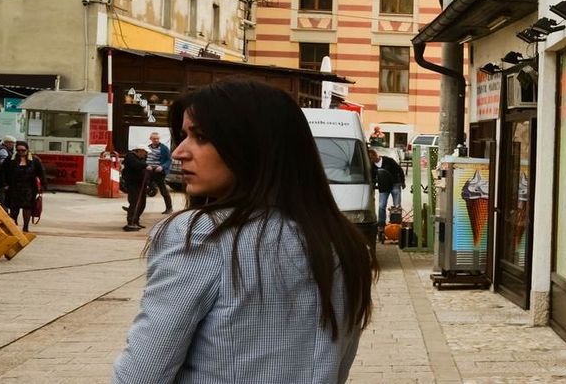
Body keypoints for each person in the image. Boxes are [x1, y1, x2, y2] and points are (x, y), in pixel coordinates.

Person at [111, 77, 375, 384]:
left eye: (201, 137)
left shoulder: (202, 235)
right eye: (183, 136)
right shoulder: (343, 244)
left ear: (251, 145)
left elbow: (142, 374)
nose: (181, 152)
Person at [0, 141, 44, 231]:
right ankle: (14, 226)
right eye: (18, 150)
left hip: (29, 188)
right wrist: (4, 185)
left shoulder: (34, 160)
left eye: (23, 150)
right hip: (13, 188)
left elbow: (41, 173)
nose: (20, 152)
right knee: (14, 208)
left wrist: (42, 186)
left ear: (27, 150)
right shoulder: (10, 159)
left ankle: (26, 227)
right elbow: (2, 172)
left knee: (27, 207)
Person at [369, 149, 404, 240]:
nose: (371, 159)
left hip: (395, 184)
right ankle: (381, 225)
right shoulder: (372, 166)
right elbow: (372, 178)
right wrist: (373, 186)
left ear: (375, 155)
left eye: (372, 157)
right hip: (383, 186)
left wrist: (402, 182)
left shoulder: (388, 160)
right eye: (370, 158)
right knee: (381, 206)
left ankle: (396, 224)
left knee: (396, 206)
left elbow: (399, 170)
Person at [120, 147, 149, 232]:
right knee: (134, 203)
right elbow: (136, 165)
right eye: (145, 152)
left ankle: (136, 221)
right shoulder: (130, 156)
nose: (146, 154)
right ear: (140, 151)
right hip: (133, 184)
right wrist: (146, 165)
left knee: (142, 204)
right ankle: (131, 222)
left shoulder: (142, 158)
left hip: (141, 184)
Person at [145, 132, 173, 213]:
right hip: (149, 170)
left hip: (158, 171)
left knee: (163, 190)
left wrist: (162, 167)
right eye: (154, 139)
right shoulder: (148, 148)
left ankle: (169, 208)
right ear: (151, 139)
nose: (156, 140)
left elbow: (169, 160)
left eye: (157, 138)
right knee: (141, 188)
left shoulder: (163, 148)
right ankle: (133, 207)